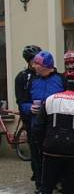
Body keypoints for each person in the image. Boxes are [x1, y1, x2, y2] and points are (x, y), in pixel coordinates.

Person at [24, 51, 66, 190]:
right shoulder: (32, 80)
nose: (34, 66)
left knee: (57, 155)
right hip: (37, 124)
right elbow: (23, 101)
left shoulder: (61, 79)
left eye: (37, 63)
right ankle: (41, 184)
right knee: (38, 155)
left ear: (46, 65)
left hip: (56, 125)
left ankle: (58, 182)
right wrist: (29, 107)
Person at [15, 44, 41, 184]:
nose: (37, 63)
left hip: (45, 118)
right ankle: (37, 176)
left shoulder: (44, 73)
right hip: (30, 117)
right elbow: (20, 100)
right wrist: (28, 109)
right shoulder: (21, 77)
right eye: (34, 60)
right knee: (35, 149)